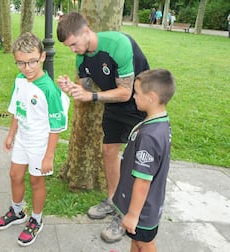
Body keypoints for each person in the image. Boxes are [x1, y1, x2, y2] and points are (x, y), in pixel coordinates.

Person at [56, 12, 149, 242]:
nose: (72, 50)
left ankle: (127, 214)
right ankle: (113, 200)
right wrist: (73, 87)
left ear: (86, 32)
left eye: (74, 44)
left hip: (140, 104)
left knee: (134, 161)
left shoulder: (118, 44)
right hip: (113, 105)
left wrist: (92, 96)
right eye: (68, 47)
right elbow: (84, 85)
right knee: (108, 152)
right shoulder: (81, 56)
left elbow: (126, 92)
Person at [0, 32, 69, 247]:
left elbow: (56, 127)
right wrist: (10, 134)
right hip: (22, 139)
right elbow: (18, 110)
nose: (27, 68)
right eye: (21, 63)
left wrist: (49, 156)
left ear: (42, 57)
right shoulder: (19, 80)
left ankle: (36, 219)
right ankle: (17, 212)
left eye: (32, 61)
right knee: (15, 175)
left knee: (36, 181)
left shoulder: (49, 91)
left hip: (40, 145)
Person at [102, 69, 176, 251]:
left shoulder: (149, 137)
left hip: (143, 210)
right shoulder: (159, 123)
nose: (133, 96)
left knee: (145, 243)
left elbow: (143, 180)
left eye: (136, 92)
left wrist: (133, 215)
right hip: (146, 205)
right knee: (137, 242)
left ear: (151, 97)